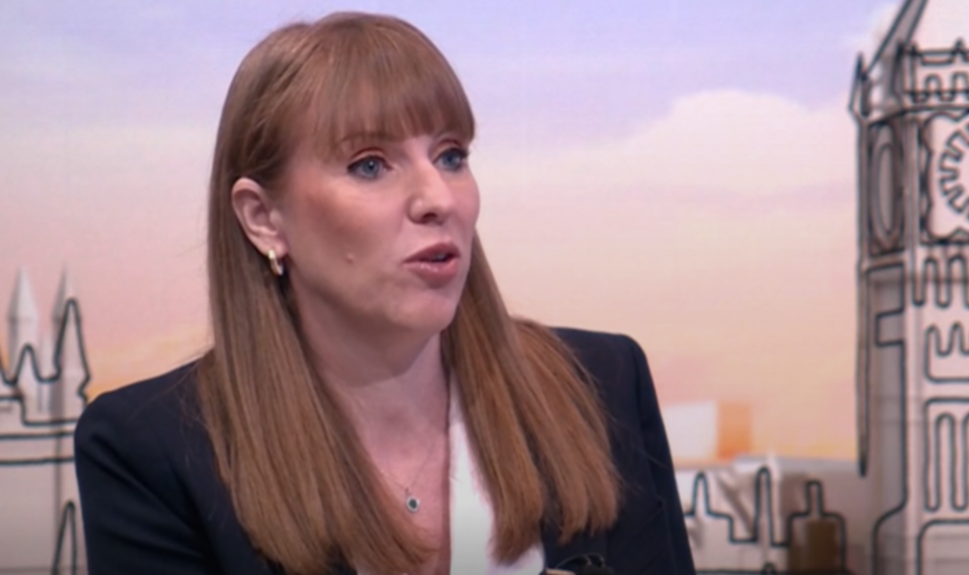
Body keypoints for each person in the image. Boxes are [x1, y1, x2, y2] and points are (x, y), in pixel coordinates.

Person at [74, 12, 695, 575]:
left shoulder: (603, 382)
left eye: (451, 156)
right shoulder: (151, 452)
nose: (439, 199)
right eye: (370, 165)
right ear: (264, 218)